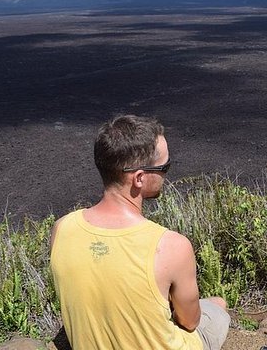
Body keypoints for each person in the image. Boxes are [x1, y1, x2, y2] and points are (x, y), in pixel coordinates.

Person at [50, 115, 230, 350]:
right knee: (218, 304)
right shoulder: (171, 246)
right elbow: (190, 322)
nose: (166, 174)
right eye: (164, 167)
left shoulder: (62, 228)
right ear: (139, 178)